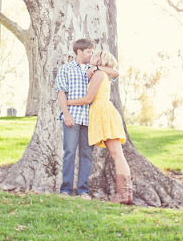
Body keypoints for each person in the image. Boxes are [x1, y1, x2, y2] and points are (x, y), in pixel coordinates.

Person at [66, 50, 132, 204]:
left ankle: (123, 194)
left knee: (117, 155)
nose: (92, 56)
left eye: (96, 55)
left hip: (103, 114)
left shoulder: (98, 74)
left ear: (100, 61)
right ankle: (126, 193)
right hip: (103, 113)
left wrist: (67, 103)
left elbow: (89, 98)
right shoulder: (102, 74)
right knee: (117, 155)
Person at [56, 38, 118, 199]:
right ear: (79, 52)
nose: (91, 54)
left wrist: (97, 66)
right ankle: (66, 189)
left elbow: (115, 73)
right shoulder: (66, 69)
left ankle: (83, 190)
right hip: (73, 117)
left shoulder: (96, 70)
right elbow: (61, 92)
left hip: (90, 119)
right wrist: (66, 113)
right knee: (69, 152)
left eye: (92, 52)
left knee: (87, 154)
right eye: (89, 52)